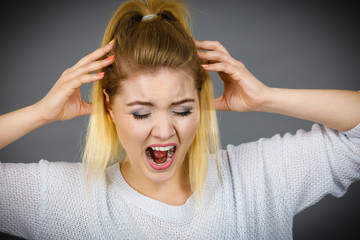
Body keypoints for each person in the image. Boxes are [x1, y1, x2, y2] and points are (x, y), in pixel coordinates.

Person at [1, 0, 359, 239]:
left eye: (183, 110)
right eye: (141, 112)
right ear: (109, 107)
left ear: (200, 105)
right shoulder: (66, 200)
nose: (164, 130)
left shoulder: (256, 180)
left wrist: (266, 97)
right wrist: (40, 113)